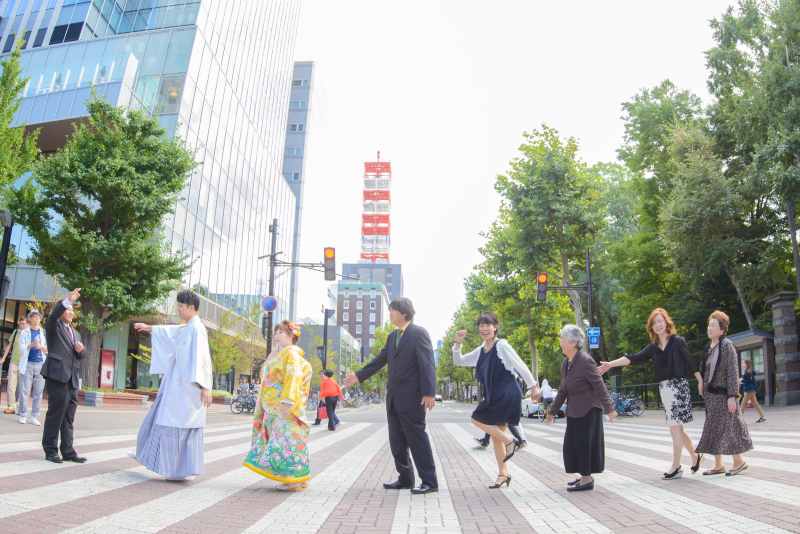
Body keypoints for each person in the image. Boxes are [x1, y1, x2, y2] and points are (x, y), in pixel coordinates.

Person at [343, 296, 438, 495]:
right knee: (397, 441)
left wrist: (429, 392)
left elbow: (427, 364)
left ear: (404, 312)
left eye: (392, 310)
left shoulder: (418, 333)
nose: (390, 314)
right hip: (394, 398)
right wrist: (359, 376)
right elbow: (380, 360)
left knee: (417, 440)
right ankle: (405, 479)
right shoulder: (392, 336)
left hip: (413, 397)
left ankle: (430, 481)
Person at [598, 308, 703, 480]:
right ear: (651, 327)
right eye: (655, 323)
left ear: (667, 322)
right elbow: (633, 358)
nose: (658, 325)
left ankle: (676, 467)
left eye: (660, 321)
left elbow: (691, 362)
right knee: (679, 429)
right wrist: (610, 364)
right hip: (664, 389)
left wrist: (700, 381)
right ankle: (696, 456)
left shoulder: (678, 341)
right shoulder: (653, 348)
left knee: (674, 429)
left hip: (679, 388)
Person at [129, 289, 213, 481]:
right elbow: (170, 331)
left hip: (186, 387)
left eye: (181, 306)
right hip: (177, 385)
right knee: (173, 427)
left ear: (191, 307)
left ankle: (179, 470)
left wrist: (205, 386)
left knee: (177, 428)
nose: (178, 310)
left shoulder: (196, 328)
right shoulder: (189, 327)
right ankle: (178, 469)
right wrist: (148, 328)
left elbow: (202, 359)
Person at [453, 311, 538, 489]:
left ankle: (510, 441)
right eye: (481, 326)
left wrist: (533, 386)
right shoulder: (480, 351)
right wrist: (458, 343)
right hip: (495, 393)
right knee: (496, 437)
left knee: (476, 418)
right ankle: (503, 474)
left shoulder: (502, 346)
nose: (484, 329)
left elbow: (520, 364)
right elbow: (458, 361)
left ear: (495, 327)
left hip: (507, 390)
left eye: (488, 325)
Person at [243, 320, 312, 490]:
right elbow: (270, 377)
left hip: (284, 406)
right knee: (291, 441)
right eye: (276, 332)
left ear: (291, 336)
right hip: (277, 407)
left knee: (286, 441)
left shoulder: (291, 354)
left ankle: (293, 480)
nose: (276, 335)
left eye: (281, 332)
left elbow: (293, 377)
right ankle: (300, 476)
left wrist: (287, 401)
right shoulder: (282, 354)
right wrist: (269, 360)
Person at [548, 324, 616, 492]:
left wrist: (609, 407)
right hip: (574, 411)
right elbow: (563, 389)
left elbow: (599, 385)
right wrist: (552, 411)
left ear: (574, 342)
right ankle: (584, 475)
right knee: (573, 445)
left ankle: (586, 480)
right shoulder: (567, 362)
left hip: (588, 409)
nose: (560, 342)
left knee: (584, 445)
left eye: (563, 339)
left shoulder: (586, 361)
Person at [695, 311, 753, 476]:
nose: (709, 328)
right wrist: (702, 384)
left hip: (723, 395)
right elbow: (706, 371)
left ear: (722, 328)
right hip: (711, 397)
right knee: (714, 428)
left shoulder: (727, 345)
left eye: (713, 325)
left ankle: (739, 461)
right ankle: (719, 464)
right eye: (709, 325)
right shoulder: (709, 347)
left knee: (729, 427)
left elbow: (733, 372)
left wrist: (732, 396)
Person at [40, 289, 86, 463]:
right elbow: (54, 315)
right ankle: (50, 450)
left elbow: (80, 354)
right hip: (57, 377)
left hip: (72, 379)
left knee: (68, 417)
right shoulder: (53, 326)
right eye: (69, 309)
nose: (71, 313)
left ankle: (68, 451)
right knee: (55, 414)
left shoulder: (76, 333)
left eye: (73, 311)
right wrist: (68, 300)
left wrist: (82, 351)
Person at [18, 310, 48, 426]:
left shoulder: (43, 332)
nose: (36, 319)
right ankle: (23, 414)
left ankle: (34, 416)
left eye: (38, 317)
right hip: (28, 364)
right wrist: (32, 345)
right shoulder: (24, 332)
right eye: (34, 317)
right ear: (29, 319)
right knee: (25, 390)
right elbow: (22, 348)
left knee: (38, 392)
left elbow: (48, 349)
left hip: (40, 364)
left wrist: (40, 346)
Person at [1, 316, 28, 415]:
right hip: (13, 362)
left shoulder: (30, 333)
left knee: (23, 387)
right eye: (20, 324)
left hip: (24, 364)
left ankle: (20, 407)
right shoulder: (16, 332)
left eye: (23, 324)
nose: (21, 326)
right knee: (11, 387)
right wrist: (3, 358)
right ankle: (11, 406)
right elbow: (9, 345)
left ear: (28, 324)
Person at [740, 358, 766, 423]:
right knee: (755, 403)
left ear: (747, 364)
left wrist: (741, 380)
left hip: (750, 390)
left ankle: (739, 419)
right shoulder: (749, 371)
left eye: (743, 363)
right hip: (751, 389)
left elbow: (749, 380)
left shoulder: (748, 372)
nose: (742, 364)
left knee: (743, 403)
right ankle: (762, 417)